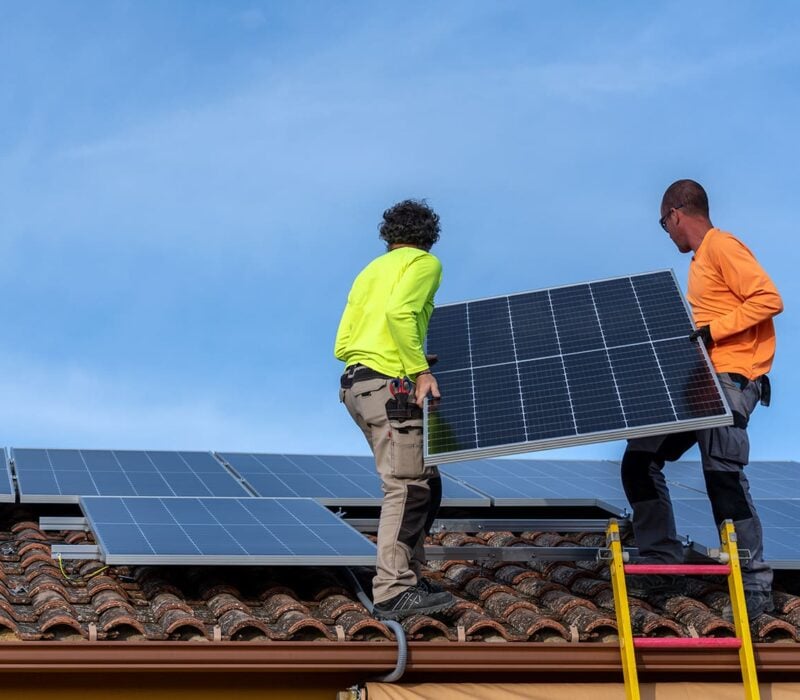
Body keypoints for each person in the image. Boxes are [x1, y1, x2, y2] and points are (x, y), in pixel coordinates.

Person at [621, 179, 783, 619]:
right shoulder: (700, 261)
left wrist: (712, 331)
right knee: (639, 460)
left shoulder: (721, 246)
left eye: (664, 224)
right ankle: (661, 562)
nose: (667, 233)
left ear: (675, 214)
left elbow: (768, 298)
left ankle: (754, 584)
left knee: (722, 474)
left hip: (732, 379)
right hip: (701, 382)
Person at [335, 199, 455, 620]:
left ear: (388, 237)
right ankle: (393, 589)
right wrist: (418, 369)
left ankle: (409, 575)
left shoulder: (371, 270)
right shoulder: (424, 263)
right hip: (389, 387)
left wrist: (403, 358)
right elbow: (399, 312)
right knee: (407, 485)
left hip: (356, 386)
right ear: (429, 238)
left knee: (428, 482)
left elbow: (345, 340)